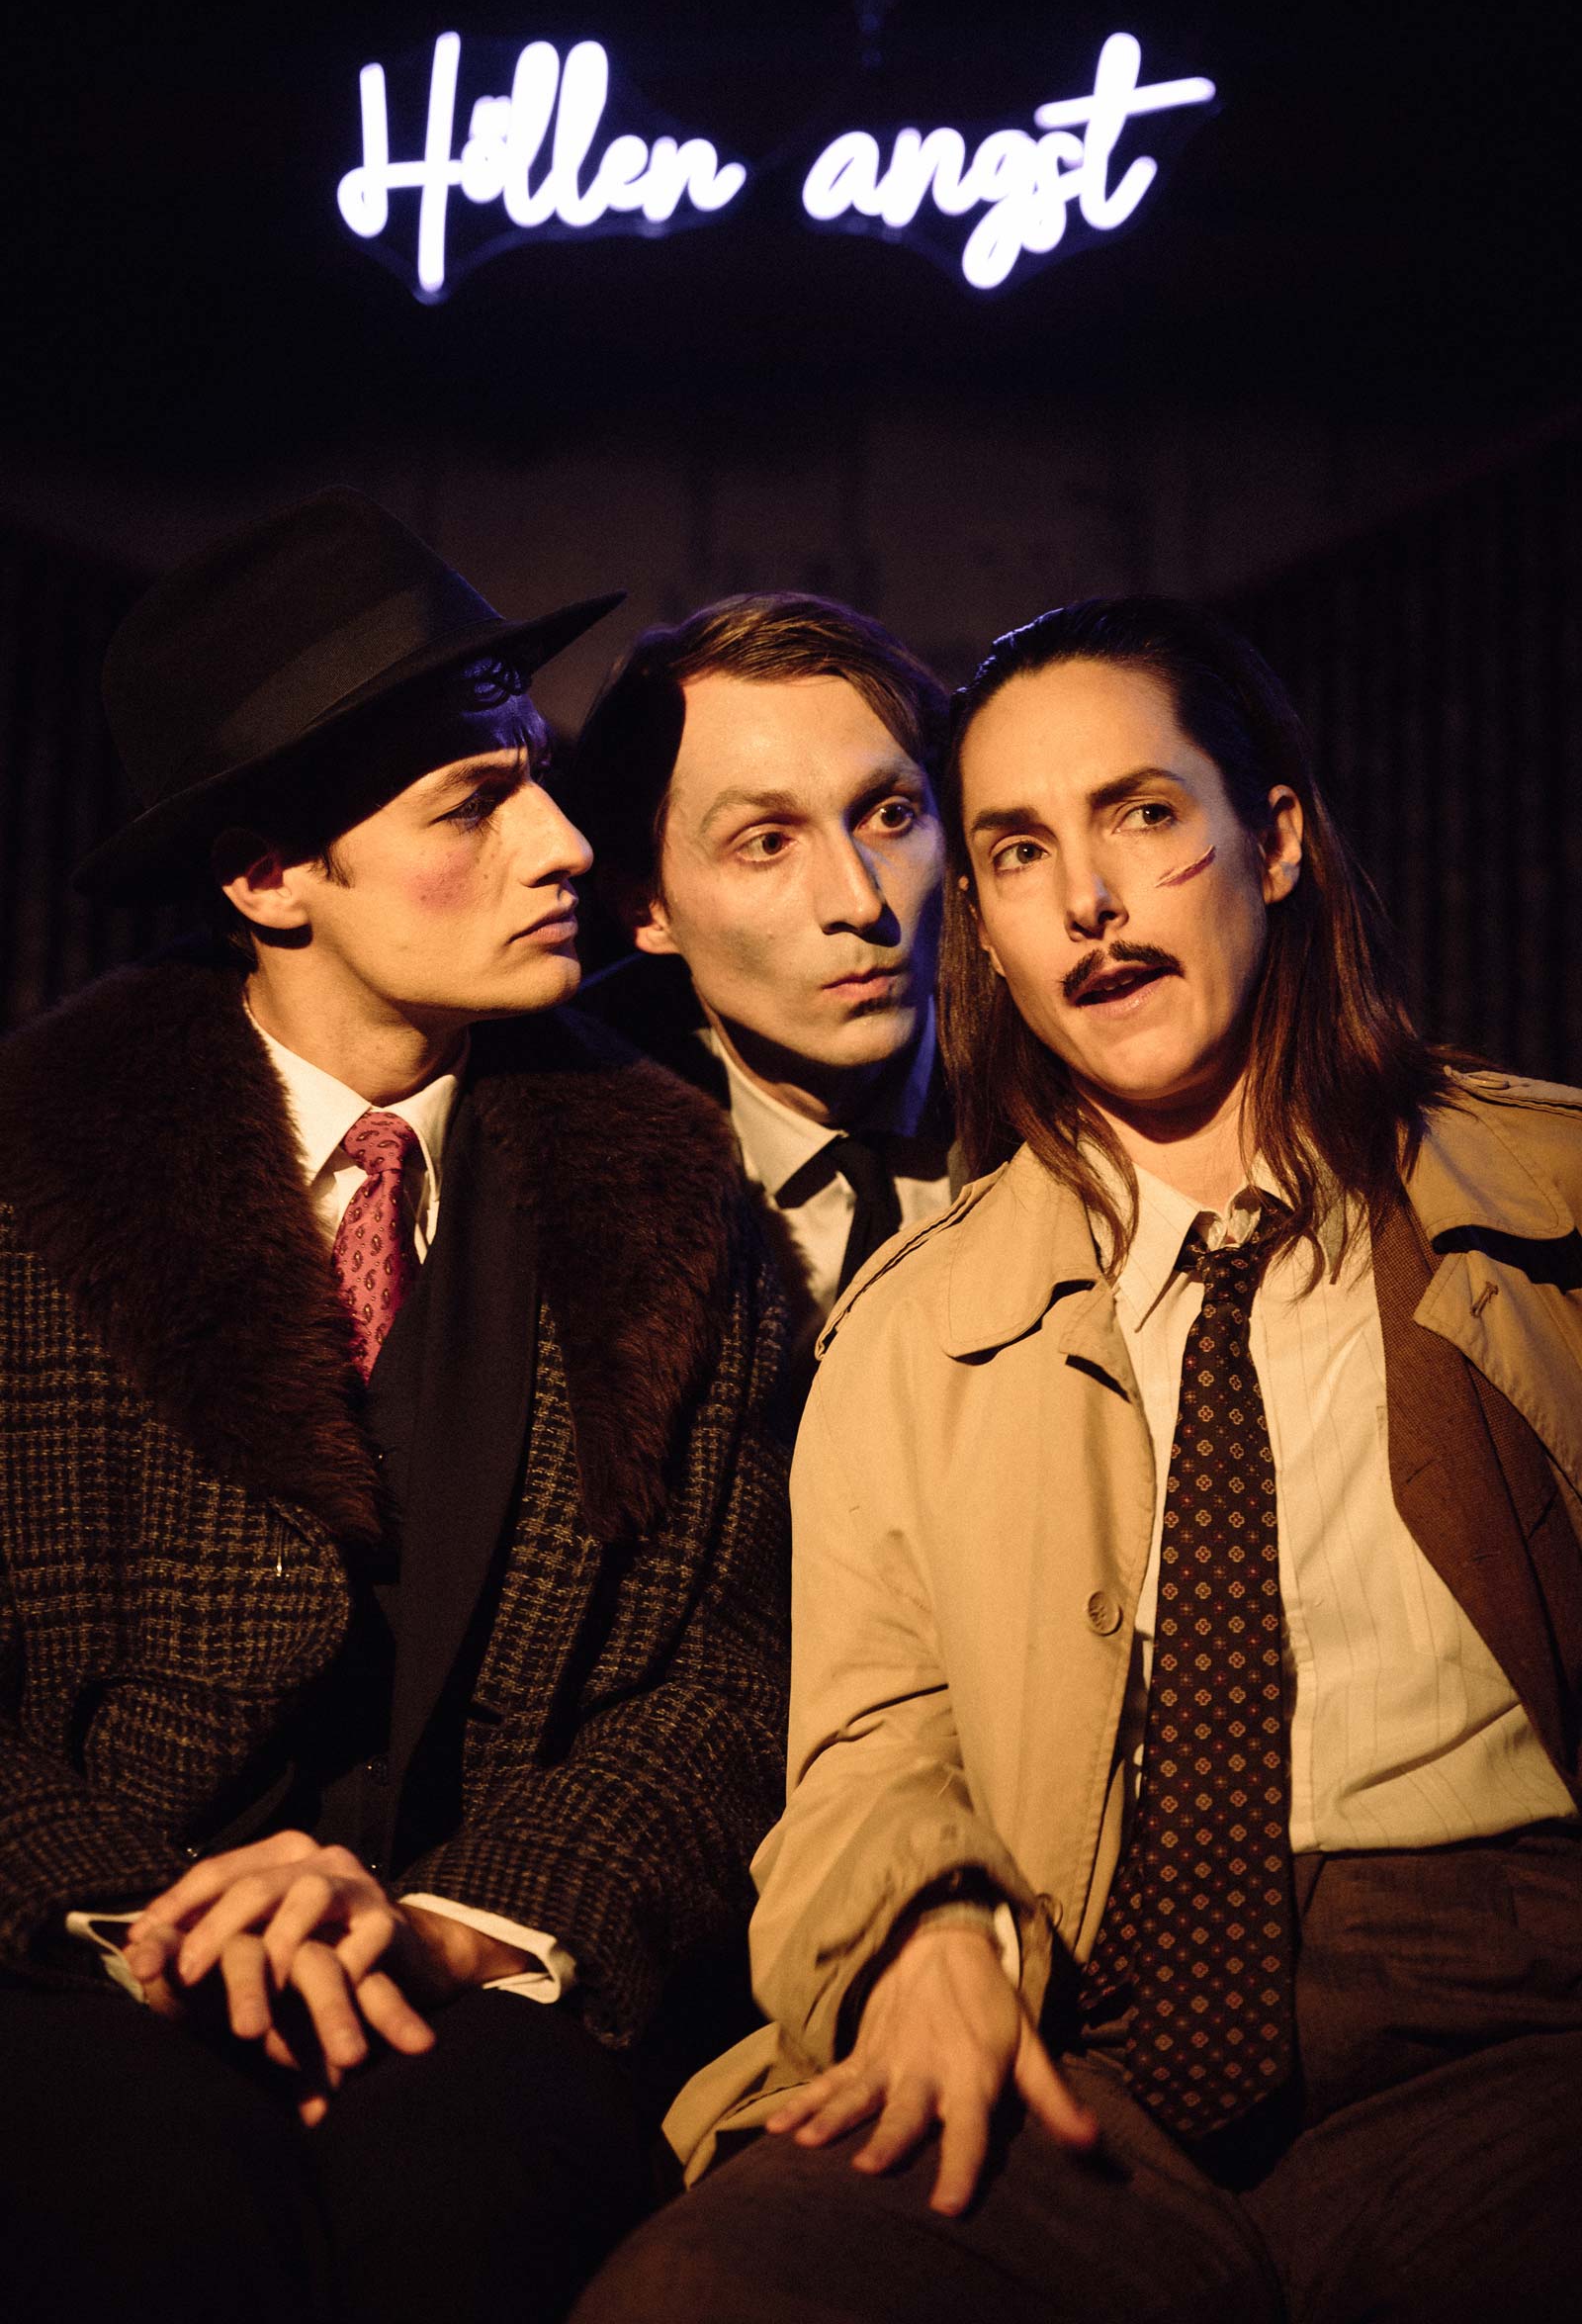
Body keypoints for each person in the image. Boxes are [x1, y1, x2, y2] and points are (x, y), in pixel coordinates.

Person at [574, 595, 1582, 2324]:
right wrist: (922, 1926)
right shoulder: (909, 1322)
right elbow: (869, 1742)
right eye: (1020, 851)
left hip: (1504, 2017)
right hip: (1077, 2026)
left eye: (1142, 814)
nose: (1089, 901)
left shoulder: (1545, 1209)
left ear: (1272, 841)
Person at [0, 489, 789, 2324]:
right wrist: (154, 1925)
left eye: (541, 781)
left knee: (467, 2198)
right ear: (270, 879)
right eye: (470, 804)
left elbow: (733, 1670)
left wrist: (458, 1925)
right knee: (137, 2195)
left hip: (487, 1987)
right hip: (78, 1967)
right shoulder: (27, 1181)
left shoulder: (676, 1190)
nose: (565, 845)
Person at [570, 593, 954, 1398]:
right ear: (647, 909)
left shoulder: (1082, 1101)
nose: (858, 900)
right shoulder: (560, 1178)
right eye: (768, 843)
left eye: (890, 815)